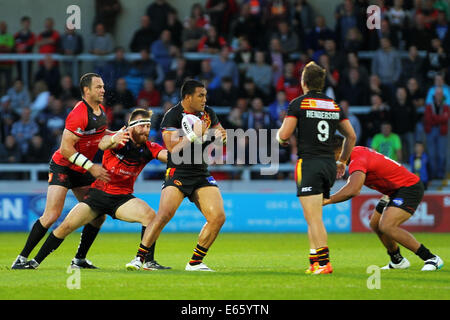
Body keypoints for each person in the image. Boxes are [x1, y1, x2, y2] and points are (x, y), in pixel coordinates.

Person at [14, 109, 171, 271]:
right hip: (99, 196)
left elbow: (168, 156)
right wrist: (113, 139)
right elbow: (103, 144)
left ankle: (148, 261)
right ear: (130, 127)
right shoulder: (118, 140)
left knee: (151, 217)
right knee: (65, 227)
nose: (147, 130)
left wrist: (187, 150)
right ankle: (34, 262)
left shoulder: (149, 147)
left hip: (122, 199)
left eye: (148, 126)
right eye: (142, 126)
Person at [11, 73, 117, 270]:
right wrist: (91, 166)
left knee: (98, 214)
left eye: (103, 86)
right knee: (51, 215)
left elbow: (101, 134)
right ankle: (21, 258)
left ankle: (79, 260)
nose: (103, 90)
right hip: (64, 166)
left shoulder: (101, 110)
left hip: (81, 167)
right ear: (86, 90)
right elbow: (66, 149)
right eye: (98, 87)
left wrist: (120, 134)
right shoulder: (79, 114)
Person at [127, 79, 227, 272]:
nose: (205, 99)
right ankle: (139, 259)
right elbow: (173, 149)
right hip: (178, 171)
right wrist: (194, 135)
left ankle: (195, 263)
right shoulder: (172, 116)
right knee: (164, 214)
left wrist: (221, 137)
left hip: (200, 172)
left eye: (205, 95)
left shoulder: (208, 113)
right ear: (188, 97)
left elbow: (222, 137)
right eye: (201, 95)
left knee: (218, 217)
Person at [277, 61, 356, 274]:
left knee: (314, 218)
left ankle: (324, 263)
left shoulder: (298, 104)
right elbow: (351, 135)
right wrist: (342, 161)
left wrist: (279, 138)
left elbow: (284, 135)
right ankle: (314, 262)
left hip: (309, 164)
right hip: (329, 165)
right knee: (313, 217)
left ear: (303, 82)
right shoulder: (333, 105)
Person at [324, 137, 444, 271]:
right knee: (375, 224)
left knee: (387, 226)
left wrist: (329, 199)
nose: (333, 160)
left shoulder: (357, 159)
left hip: (408, 188)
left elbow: (353, 189)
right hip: (393, 191)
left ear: (341, 151)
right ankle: (397, 260)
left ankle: (431, 258)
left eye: (333, 155)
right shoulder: (357, 152)